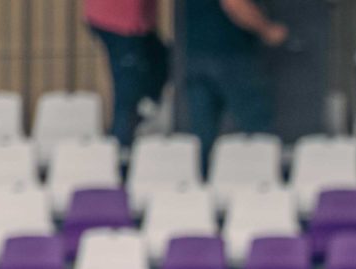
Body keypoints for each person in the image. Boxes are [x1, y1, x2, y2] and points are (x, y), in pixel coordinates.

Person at [178, 0, 285, 162]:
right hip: (230, 52)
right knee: (256, 128)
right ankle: (258, 172)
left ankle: (203, 174)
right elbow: (234, 3)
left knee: (202, 132)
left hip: (193, 53)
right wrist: (267, 29)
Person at [86, 0, 169, 148]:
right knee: (127, 90)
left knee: (160, 60)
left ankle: (144, 109)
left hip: (133, 21)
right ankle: (121, 146)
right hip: (120, 20)